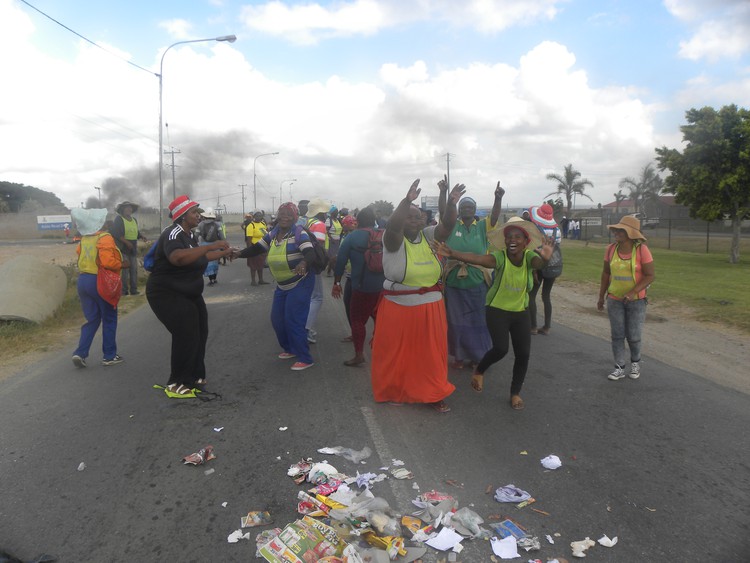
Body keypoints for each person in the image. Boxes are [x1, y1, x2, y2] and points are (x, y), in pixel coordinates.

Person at [434, 216, 554, 410]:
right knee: (501, 349)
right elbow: (478, 258)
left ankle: (515, 393)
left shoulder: (530, 257)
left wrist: (546, 259)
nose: (512, 240)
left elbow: (538, 265)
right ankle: (480, 370)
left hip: (520, 311)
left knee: (523, 354)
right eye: (509, 237)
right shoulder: (500, 257)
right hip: (496, 309)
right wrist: (453, 253)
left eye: (517, 237)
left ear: (526, 242)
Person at [370, 177, 464, 413]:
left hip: (430, 305)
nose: (415, 220)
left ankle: (433, 393)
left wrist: (452, 203)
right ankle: (395, 390)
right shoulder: (392, 239)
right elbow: (393, 227)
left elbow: (448, 225)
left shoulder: (430, 235)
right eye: (409, 217)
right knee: (396, 353)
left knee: (430, 356)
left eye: (418, 216)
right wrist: (406, 201)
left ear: (424, 219)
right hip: (397, 305)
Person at [146, 195, 232, 396]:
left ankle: (194, 376)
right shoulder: (173, 234)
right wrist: (211, 245)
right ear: (183, 216)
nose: (198, 216)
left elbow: (200, 256)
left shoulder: (190, 235)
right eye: (194, 212)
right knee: (185, 333)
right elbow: (177, 258)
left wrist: (224, 252)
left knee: (201, 330)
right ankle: (176, 382)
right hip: (167, 293)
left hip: (187, 291)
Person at [237, 202, 319, 371]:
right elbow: (257, 248)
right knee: (277, 319)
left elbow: (310, 253)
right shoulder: (273, 234)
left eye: (289, 214)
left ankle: (305, 357)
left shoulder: (299, 233)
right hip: (282, 285)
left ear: (295, 217)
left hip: (300, 283)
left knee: (294, 319)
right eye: (282, 213)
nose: (284, 217)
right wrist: (238, 253)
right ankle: (290, 349)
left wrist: (304, 262)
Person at [443, 183, 503, 370]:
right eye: (463, 207)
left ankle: (478, 357)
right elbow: (444, 213)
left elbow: (494, 216)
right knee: (456, 321)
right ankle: (459, 357)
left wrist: (498, 198)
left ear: (475, 210)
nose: (467, 209)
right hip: (454, 282)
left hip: (477, 282)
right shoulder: (453, 224)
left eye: (470, 207)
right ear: (459, 210)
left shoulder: (483, 226)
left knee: (478, 320)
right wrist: (446, 196)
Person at [597, 215, 655, 381]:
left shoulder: (641, 250)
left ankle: (635, 362)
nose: (616, 232)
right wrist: (601, 296)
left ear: (631, 233)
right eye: (616, 230)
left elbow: (650, 276)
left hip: (636, 301)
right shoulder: (610, 249)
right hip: (615, 299)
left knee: (634, 335)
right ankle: (619, 367)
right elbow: (606, 273)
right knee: (617, 335)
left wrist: (633, 292)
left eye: (621, 230)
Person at [70, 208, 124, 368]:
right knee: (109, 318)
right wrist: (121, 264)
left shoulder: (84, 239)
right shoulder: (105, 237)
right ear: (100, 223)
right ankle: (109, 356)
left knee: (92, 319)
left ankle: (80, 352)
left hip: (83, 281)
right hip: (99, 281)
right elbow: (108, 262)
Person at [332, 207, 384, 367]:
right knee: (381, 319)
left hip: (361, 287)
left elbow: (340, 262)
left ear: (358, 221)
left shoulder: (352, 237)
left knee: (357, 320)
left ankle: (359, 355)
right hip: (384, 287)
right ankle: (383, 351)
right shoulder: (383, 234)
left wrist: (337, 282)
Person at [528, 204, 562, 335]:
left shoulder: (537, 229)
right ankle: (547, 327)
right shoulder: (557, 230)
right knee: (546, 296)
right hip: (554, 264)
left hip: (540, 264)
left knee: (532, 295)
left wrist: (534, 269)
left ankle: (533, 326)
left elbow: (534, 248)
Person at [304, 198, 330, 344]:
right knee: (317, 297)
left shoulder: (309, 223)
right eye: (325, 212)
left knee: (310, 297)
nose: (326, 215)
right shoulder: (319, 225)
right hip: (313, 264)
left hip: (306, 263)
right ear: (320, 213)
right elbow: (318, 248)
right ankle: (306, 329)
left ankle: (307, 327)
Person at [111, 201, 148, 296]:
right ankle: (123, 291)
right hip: (123, 248)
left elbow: (136, 232)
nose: (129, 209)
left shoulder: (134, 220)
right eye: (127, 207)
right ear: (122, 209)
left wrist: (141, 236)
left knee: (133, 270)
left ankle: (134, 290)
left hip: (132, 248)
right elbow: (116, 233)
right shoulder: (119, 219)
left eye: (130, 208)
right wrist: (126, 242)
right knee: (125, 270)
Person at [197, 208, 225, 286]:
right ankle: (214, 278)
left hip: (204, 245)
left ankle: (211, 280)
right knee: (215, 262)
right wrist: (223, 244)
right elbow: (222, 236)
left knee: (208, 263)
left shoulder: (200, 224)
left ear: (204, 216)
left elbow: (196, 236)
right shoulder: (217, 224)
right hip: (215, 245)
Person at [245, 210, 269, 286]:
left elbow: (266, 234)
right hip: (254, 247)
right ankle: (253, 281)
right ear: (254, 217)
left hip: (262, 247)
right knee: (253, 265)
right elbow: (249, 239)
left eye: (260, 216)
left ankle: (261, 280)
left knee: (261, 264)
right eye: (257, 216)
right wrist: (250, 250)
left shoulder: (263, 224)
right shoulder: (251, 226)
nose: (259, 217)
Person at [325, 206, 342, 276]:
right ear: (332, 213)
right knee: (332, 257)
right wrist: (331, 239)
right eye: (335, 211)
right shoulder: (329, 220)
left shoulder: (337, 220)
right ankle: (332, 271)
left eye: (337, 211)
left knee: (335, 257)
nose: (337, 213)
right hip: (331, 241)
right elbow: (326, 230)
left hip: (337, 241)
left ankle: (330, 269)